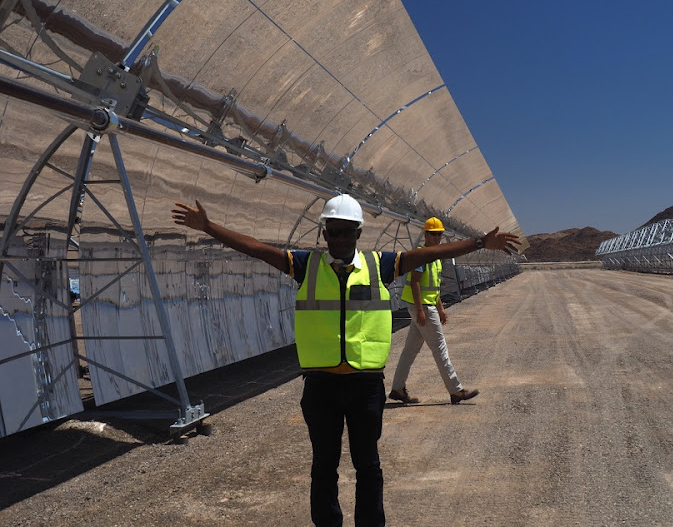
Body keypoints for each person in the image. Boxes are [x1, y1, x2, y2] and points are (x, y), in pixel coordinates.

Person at [171, 194, 520, 527]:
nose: (338, 238)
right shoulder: (306, 266)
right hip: (321, 386)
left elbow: (428, 254)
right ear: (324, 234)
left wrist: (478, 243)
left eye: (345, 231)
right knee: (324, 467)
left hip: (365, 386)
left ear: (358, 233)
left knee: (368, 465)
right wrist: (209, 227)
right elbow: (259, 250)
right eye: (332, 231)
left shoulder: (379, 265)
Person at [389, 217, 478, 405]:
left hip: (426, 306)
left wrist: (442, 309)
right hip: (422, 307)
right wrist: (421, 310)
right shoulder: (422, 255)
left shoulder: (435, 257)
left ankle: (397, 388)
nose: (437, 237)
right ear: (426, 234)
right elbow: (414, 282)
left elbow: (434, 288)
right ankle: (456, 390)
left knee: (410, 350)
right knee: (440, 348)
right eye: (433, 234)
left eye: (439, 234)